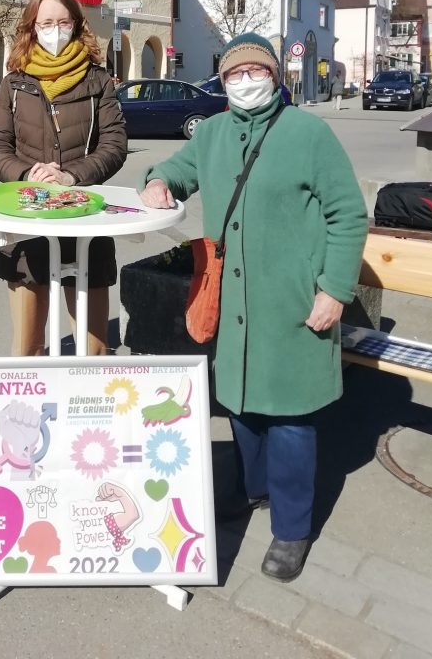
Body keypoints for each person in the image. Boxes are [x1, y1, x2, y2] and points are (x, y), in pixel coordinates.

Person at [139, 32, 367, 583]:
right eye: (235, 74)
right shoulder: (213, 133)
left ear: (275, 77)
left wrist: (334, 290)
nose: (245, 82)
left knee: (290, 417)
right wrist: (157, 182)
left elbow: (348, 213)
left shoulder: (307, 133)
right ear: (222, 81)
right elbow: (177, 170)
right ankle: (251, 488)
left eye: (256, 71)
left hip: (293, 301)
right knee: (242, 406)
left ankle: (292, 529)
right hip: (235, 305)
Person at [0, 0, 127, 356]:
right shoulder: (15, 83)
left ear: (76, 25)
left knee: (93, 351)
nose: (55, 30)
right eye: (46, 23)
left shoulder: (97, 80)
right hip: (27, 221)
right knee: (27, 347)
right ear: (32, 27)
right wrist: (27, 174)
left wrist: (71, 176)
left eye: (63, 22)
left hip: (86, 220)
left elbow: (114, 146)